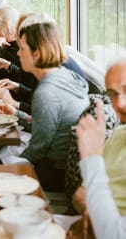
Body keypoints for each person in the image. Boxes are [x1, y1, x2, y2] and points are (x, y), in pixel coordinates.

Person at [0, 23, 89, 191]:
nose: (17, 53)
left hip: (55, 172)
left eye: (22, 49)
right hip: (68, 166)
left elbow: (37, 150)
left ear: (36, 54)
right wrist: (17, 114)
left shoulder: (47, 92)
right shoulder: (65, 76)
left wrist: (7, 171)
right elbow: (47, 126)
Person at [73, 55, 126, 238]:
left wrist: (92, 157)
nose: (120, 104)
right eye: (112, 94)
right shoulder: (118, 135)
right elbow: (80, 192)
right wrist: (91, 209)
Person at [0, 13, 84, 114]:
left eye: (22, 46)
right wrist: (17, 86)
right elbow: (35, 95)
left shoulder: (57, 69)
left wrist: (14, 104)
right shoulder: (50, 59)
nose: (18, 52)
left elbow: (43, 113)